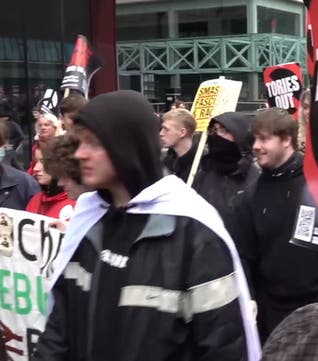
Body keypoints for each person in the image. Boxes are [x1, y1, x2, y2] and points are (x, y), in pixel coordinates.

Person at [34, 90, 261, 361]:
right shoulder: (88, 221)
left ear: (126, 146)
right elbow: (58, 332)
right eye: (79, 142)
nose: (80, 154)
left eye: (93, 143)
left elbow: (224, 345)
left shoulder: (195, 232)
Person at [233, 107, 318, 342]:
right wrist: (250, 297)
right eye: (254, 138)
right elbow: (245, 254)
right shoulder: (250, 194)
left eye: (264, 138)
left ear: (286, 140)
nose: (256, 146)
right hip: (272, 313)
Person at [194, 112, 260, 225]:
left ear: (240, 136)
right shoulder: (204, 171)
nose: (216, 136)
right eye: (215, 130)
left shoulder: (256, 178)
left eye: (223, 131)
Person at [26, 147, 75, 220]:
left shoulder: (77, 204)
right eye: (35, 162)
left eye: (43, 162)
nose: (36, 168)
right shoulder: (35, 201)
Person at [160, 108, 197, 182]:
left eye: (166, 129)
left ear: (182, 132)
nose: (161, 133)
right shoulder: (166, 162)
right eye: (161, 129)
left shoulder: (204, 164)